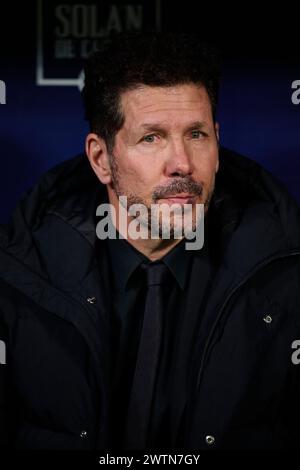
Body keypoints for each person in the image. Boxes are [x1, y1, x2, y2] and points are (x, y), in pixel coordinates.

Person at [0, 32, 300, 451]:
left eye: (197, 135)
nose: (182, 164)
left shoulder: (285, 277)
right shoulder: (19, 278)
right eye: (151, 138)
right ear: (101, 159)